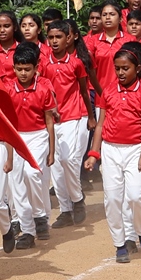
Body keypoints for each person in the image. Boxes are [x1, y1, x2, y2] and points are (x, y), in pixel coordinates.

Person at [84, 46, 141, 263]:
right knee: (113, 199)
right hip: (110, 150)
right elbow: (100, 125)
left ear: (137, 69)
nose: (120, 73)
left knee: (136, 196)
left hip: (135, 149)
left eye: (125, 68)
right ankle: (120, 244)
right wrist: (94, 153)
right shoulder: (108, 91)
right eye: (117, 68)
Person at [5, 42, 59, 250]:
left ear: (36, 68)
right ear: (14, 68)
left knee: (32, 174)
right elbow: (8, 124)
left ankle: (39, 216)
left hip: (37, 136)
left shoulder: (44, 88)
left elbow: (49, 121)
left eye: (28, 69)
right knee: (17, 185)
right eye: (19, 69)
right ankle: (27, 231)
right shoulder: (9, 89)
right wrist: (9, 157)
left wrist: (51, 151)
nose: (23, 73)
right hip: (17, 137)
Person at [45, 19, 97, 227]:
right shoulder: (43, 62)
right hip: (52, 119)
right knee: (56, 166)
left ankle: (77, 199)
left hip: (74, 116)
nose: (55, 41)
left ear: (68, 39)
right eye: (51, 37)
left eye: (59, 37)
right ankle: (66, 209)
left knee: (68, 160)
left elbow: (85, 91)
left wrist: (91, 116)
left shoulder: (76, 63)